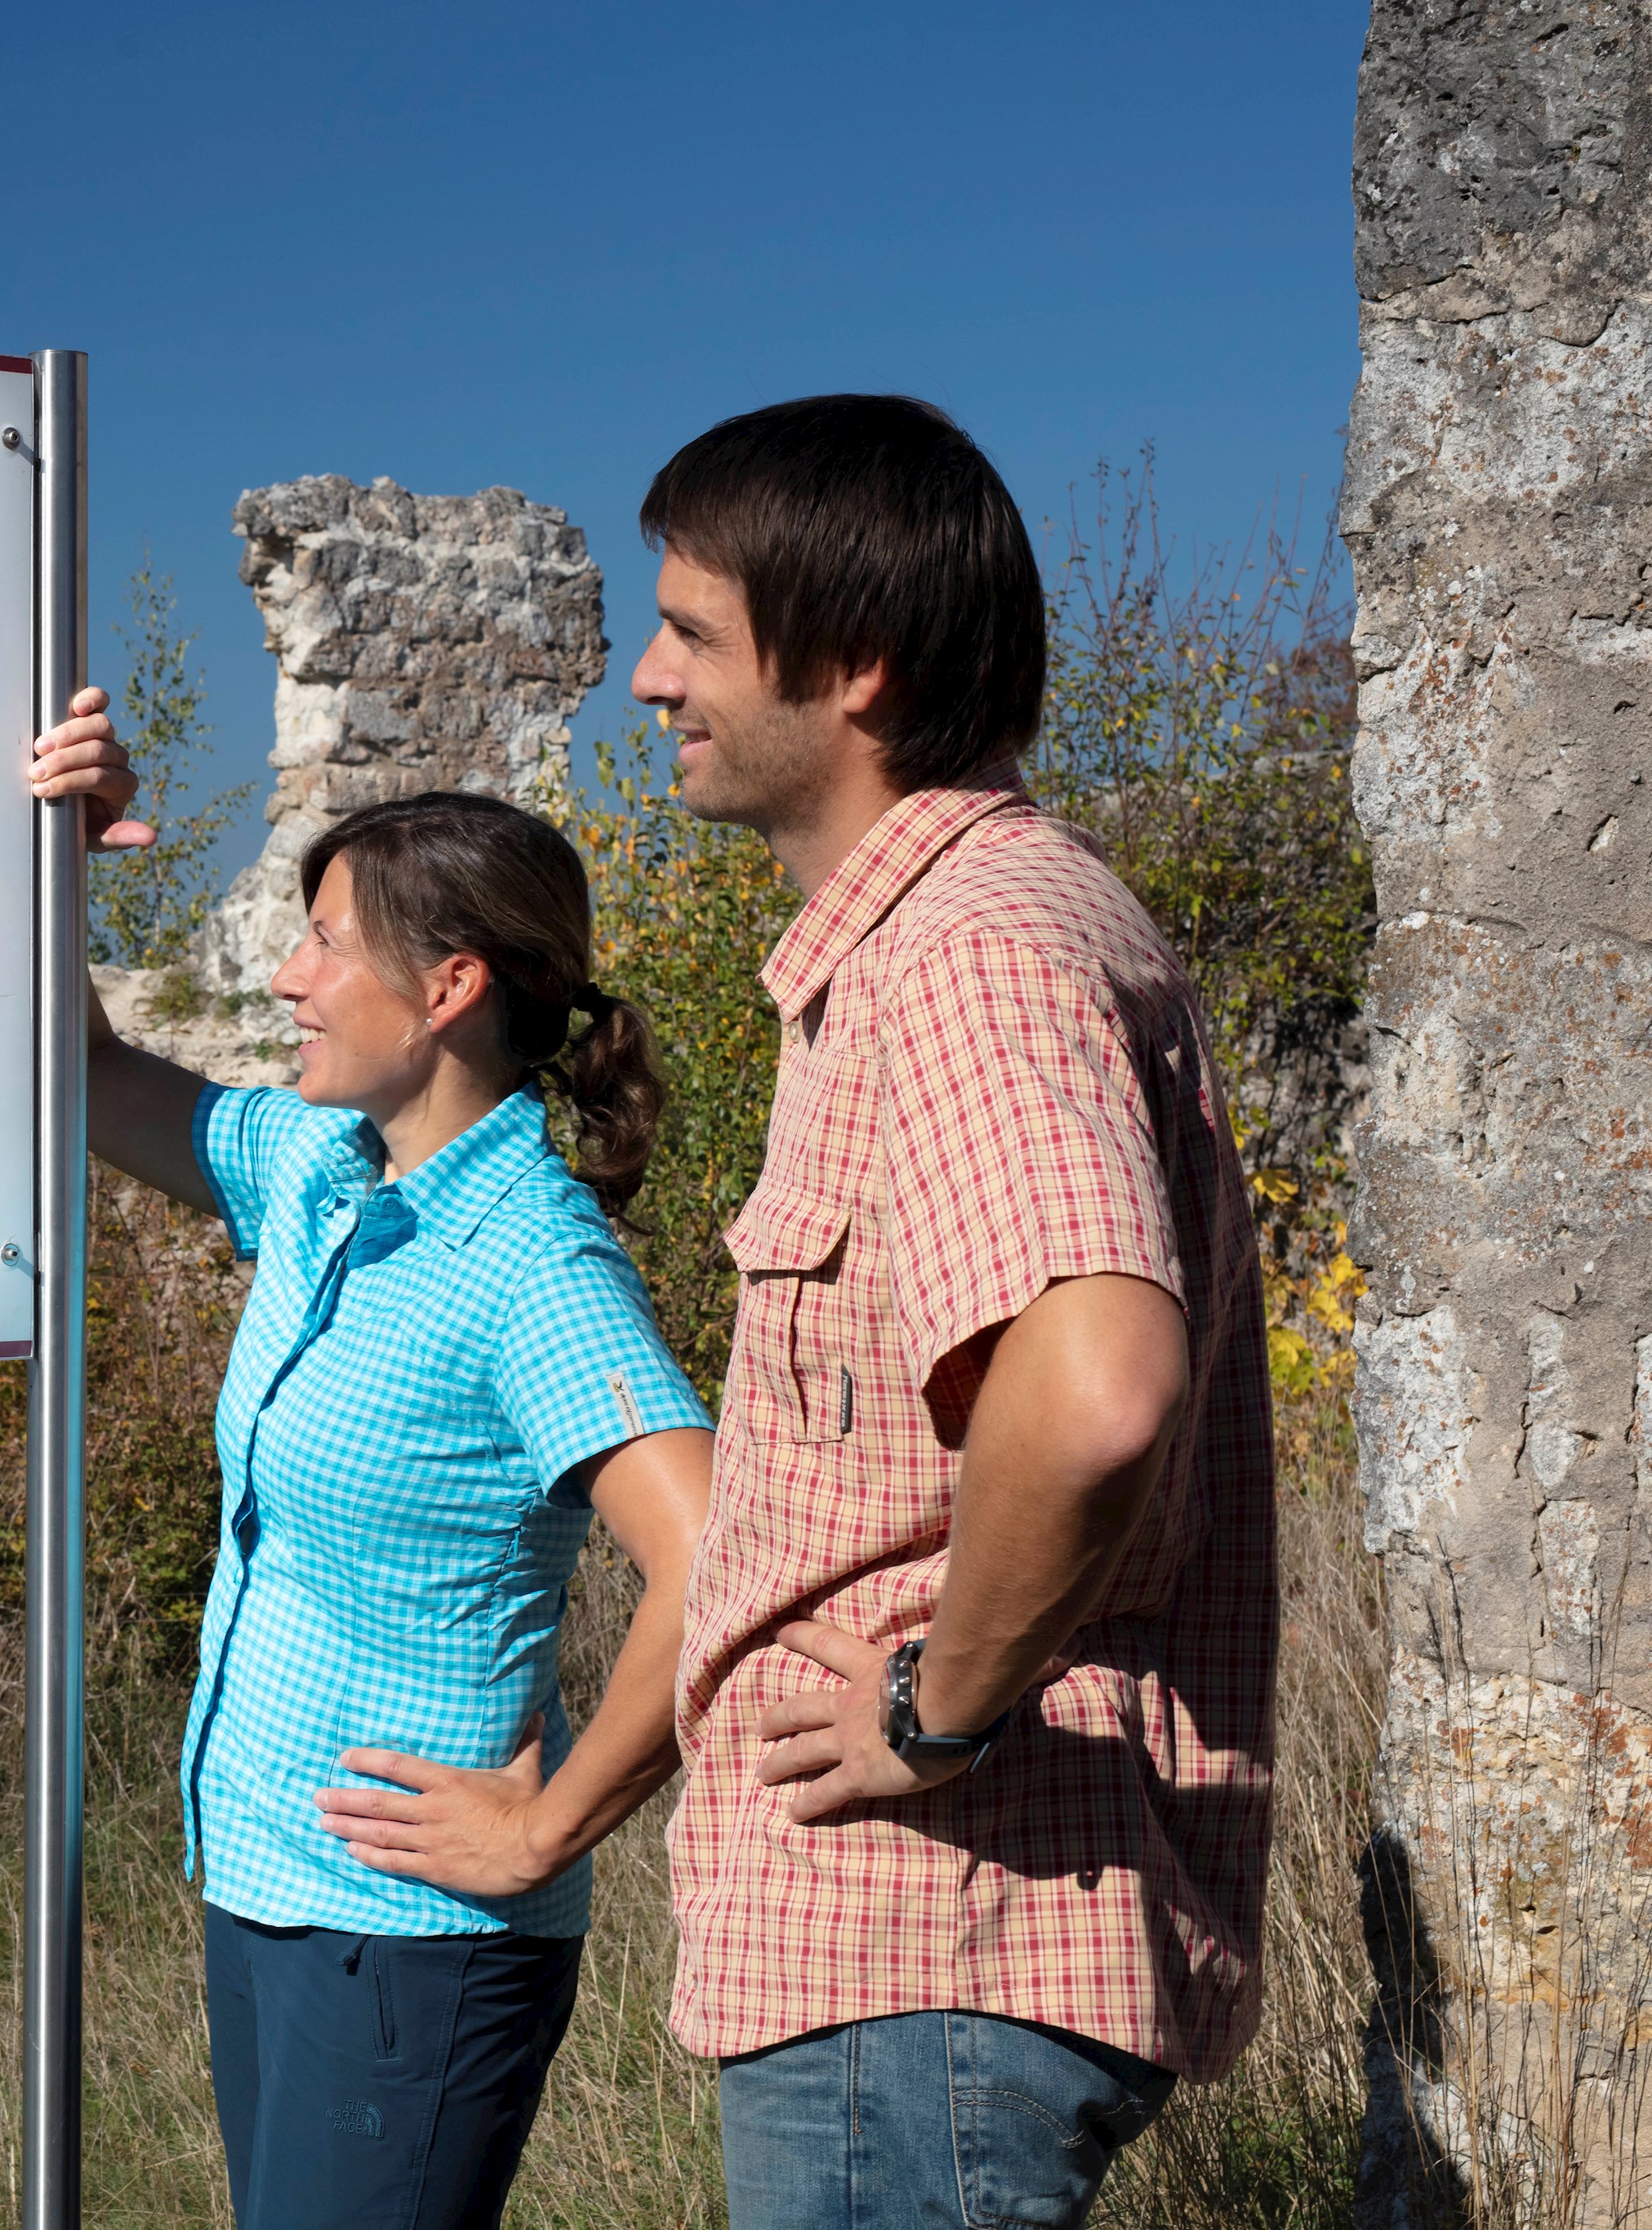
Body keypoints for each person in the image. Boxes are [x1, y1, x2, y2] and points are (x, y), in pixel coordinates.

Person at [626, 395, 1276, 2229]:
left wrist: (934, 1705)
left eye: (688, 629)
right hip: (917, 1960)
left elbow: (1090, 1391)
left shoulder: (969, 951)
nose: (646, 677)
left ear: (853, 667)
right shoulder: (960, 934)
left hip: (929, 1940)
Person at [28, 715, 715, 2230]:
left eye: (324, 943)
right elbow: (74, 1064)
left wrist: (543, 1828)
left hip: (415, 1941)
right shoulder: (316, 1169)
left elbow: (717, 1558)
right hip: (272, 1890)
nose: (286, 978)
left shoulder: (535, 1262)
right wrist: (52, 864)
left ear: (450, 988)